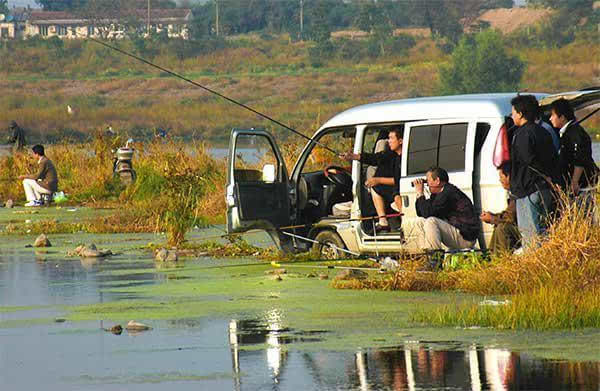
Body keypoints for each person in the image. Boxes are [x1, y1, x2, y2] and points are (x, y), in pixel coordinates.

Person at [509, 95, 558, 249]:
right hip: (544, 188)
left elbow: (528, 160)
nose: (512, 116)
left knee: (530, 235)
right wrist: (549, 178)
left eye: (513, 112)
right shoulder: (544, 131)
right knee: (543, 231)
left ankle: (535, 267)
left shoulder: (522, 134)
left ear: (521, 113)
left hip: (528, 190)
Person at [341, 127, 403, 232]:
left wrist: (378, 180)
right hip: (395, 190)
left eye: (391, 138)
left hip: (400, 191)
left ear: (400, 141)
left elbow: (399, 180)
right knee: (376, 187)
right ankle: (383, 221)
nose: (389, 141)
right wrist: (353, 156)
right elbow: (376, 158)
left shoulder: (404, 157)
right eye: (388, 138)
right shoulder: (392, 155)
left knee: (392, 193)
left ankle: (398, 223)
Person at [413, 166, 480, 250]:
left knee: (431, 221)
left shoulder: (449, 193)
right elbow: (421, 212)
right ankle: (425, 255)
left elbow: (428, 213)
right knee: (420, 221)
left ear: (437, 181)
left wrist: (420, 193)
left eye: (428, 181)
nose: (427, 184)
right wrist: (419, 195)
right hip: (457, 231)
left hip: (465, 237)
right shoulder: (439, 193)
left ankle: (434, 258)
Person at [550, 98, 599, 196]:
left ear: (562, 117)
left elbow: (579, 158)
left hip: (582, 185)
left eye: (553, 115)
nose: (550, 118)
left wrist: (574, 181)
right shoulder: (566, 132)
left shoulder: (575, 133)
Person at [480, 162, 520, 253]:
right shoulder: (512, 193)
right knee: (498, 225)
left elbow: (509, 217)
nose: (500, 180)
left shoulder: (517, 193)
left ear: (509, 177)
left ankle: (503, 259)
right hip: (519, 228)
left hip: (524, 231)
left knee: (502, 227)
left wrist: (492, 218)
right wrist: (492, 217)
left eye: (501, 177)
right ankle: (493, 258)